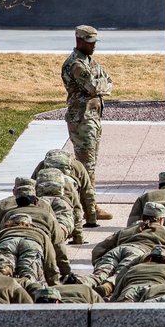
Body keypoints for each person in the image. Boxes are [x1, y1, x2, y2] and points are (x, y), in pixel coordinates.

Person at [61, 25, 113, 221]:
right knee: (85, 166)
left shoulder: (89, 61)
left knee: (90, 165)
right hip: (82, 119)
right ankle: (87, 208)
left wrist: (102, 85)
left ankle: (89, 204)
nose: (93, 46)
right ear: (79, 41)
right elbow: (93, 86)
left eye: (94, 43)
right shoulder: (76, 64)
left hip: (92, 118)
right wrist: (101, 85)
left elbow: (108, 79)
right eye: (89, 43)